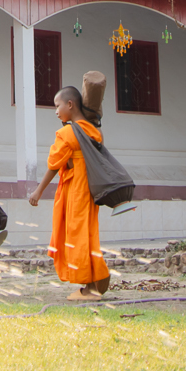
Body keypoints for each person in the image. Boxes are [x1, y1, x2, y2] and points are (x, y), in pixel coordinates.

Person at [28, 85, 111, 301]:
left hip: (76, 191)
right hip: (91, 192)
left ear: (70, 105)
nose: (56, 111)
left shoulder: (68, 132)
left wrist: (38, 190)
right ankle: (93, 279)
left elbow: (54, 165)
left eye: (58, 106)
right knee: (88, 233)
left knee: (76, 235)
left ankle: (90, 287)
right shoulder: (94, 131)